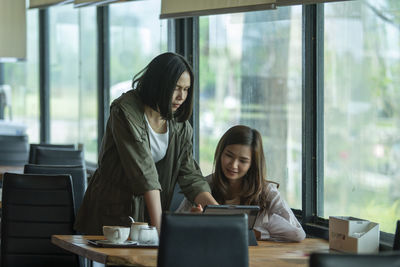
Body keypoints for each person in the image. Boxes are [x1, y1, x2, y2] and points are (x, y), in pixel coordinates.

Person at [74, 52, 218, 235]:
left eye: (186, 89)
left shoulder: (180, 126)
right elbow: (145, 172)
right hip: (111, 215)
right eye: (176, 88)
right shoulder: (125, 111)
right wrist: (160, 231)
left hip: (146, 216)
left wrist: (220, 214)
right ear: (159, 83)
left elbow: (191, 176)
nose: (182, 96)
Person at [177, 125, 306, 242]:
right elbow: (175, 225)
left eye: (243, 161)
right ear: (220, 153)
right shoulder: (204, 186)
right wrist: (193, 221)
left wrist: (255, 232)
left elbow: (297, 234)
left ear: (253, 164)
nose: (233, 165)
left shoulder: (266, 191)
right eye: (229, 155)